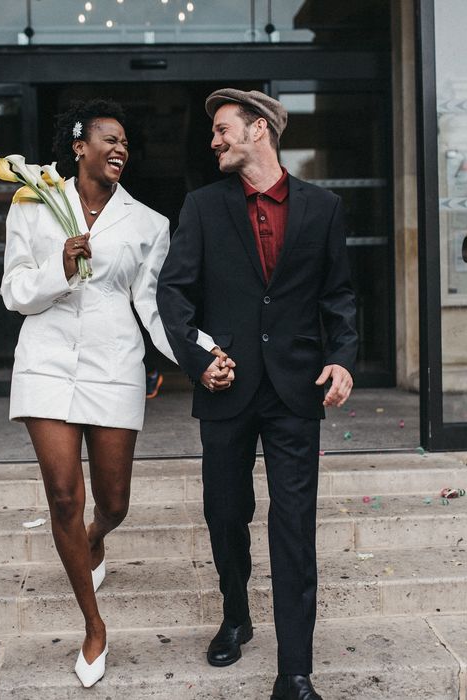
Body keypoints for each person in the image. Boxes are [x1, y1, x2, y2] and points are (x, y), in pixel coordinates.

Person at [0, 99, 222, 689]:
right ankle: (94, 627)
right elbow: (14, 291)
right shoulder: (32, 205)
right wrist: (59, 265)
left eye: (125, 142)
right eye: (108, 139)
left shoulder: (150, 224)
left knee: (113, 503)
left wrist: (198, 355)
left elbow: (153, 308)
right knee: (63, 496)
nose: (119, 148)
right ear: (79, 147)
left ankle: (96, 541)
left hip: (115, 366)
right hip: (46, 361)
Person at [157, 89, 358, 700]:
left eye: (223, 130)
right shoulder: (201, 207)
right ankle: (236, 613)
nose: (213, 140)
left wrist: (342, 362)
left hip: (298, 390)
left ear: (259, 131)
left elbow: (339, 298)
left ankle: (294, 672)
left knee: (294, 524)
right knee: (226, 511)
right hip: (227, 386)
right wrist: (198, 360)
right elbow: (175, 294)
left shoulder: (323, 208)